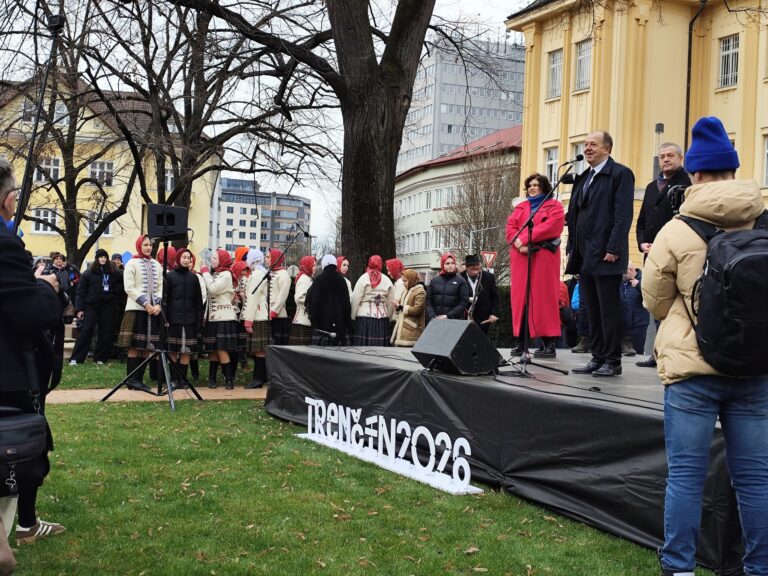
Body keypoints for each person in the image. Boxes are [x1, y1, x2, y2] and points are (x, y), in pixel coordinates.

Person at [643, 116, 768, 576]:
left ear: (693, 172)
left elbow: (654, 302)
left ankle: (678, 567)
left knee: (686, 477)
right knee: (756, 480)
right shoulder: (764, 221)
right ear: (734, 169)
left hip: (692, 371)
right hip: (756, 367)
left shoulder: (676, 231)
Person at [0, 158, 66, 549]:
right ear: (7, 199)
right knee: (18, 451)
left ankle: (27, 522)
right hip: (9, 374)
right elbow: (30, 313)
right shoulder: (5, 244)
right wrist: (45, 287)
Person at [565, 131, 634, 377]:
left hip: (606, 254)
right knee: (591, 310)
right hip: (585, 254)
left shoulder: (620, 174)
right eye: (585, 144)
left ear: (607, 148)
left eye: (593, 144)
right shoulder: (585, 177)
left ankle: (612, 360)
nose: (587, 148)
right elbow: (574, 216)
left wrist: (614, 247)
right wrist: (572, 247)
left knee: (608, 310)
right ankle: (597, 357)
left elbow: (623, 214)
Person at [635, 142, 691, 369]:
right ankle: (658, 353)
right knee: (656, 304)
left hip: (675, 254)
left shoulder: (687, 184)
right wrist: (641, 243)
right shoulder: (651, 187)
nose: (665, 160)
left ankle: (671, 354)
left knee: (675, 306)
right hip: (651, 256)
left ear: (680, 159)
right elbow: (641, 222)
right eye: (662, 156)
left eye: (670, 156)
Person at [506, 173, 565, 358]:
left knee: (544, 298)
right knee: (520, 300)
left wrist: (523, 238)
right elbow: (510, 227)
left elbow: (552, 226)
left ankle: (549, 344)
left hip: (543, 257)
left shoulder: (554, 206)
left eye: (535, 185)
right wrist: (519, 244)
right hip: (521, 257)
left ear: (544, 187)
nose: (532, 188)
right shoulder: (521, 207)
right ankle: (520, 343)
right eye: (529, 185)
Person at [117, 235, 163, 391]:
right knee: (135, 346)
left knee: (147, 346)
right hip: (136, 309)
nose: (148, 247)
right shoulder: (131, 263)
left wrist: (157, 304)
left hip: (153, 311)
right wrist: (146, 304)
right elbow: (129, 288)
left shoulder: (157, 265)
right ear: (139, 246)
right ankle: (131, 379)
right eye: (145, 245)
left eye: (150, 245)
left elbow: (159, 286)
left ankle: (139, 380)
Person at [69, 248, 121, 365]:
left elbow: (121, 282)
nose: (103, 259)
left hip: (107, 305)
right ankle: (76, 358)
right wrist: (79, 309)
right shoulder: (88, 273)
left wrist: (114, 296)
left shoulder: (113, 272)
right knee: (86, 330)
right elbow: (81, 292)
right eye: (101, 257)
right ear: (97, 259)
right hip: (91, 305)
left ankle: (100, 358)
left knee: (105, 331)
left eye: (105, 257)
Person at [164, 248, 203, 386]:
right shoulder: (169, 276)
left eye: (188, 258)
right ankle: (174, 379)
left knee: (186, 350)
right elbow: (165, 300)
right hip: (173, 319)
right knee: (173, 350)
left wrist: (199, 321)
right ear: (178, 258)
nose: (186, 260)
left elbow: (198, 301)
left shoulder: (194, 278)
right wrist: (165, 319)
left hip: (190, 320)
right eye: (184, 257)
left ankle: (183, 379)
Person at [200, 250, 239, 389]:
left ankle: (229, 379)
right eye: (211, 258)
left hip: (224, 317)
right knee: (213, 350)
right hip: (213, 318)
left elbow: (213, 289)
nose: (212, 260)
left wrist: (204, 272)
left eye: (215, 258)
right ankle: (212, 379)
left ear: (222, 260)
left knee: (222, 349)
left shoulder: (226, 274)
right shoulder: (216, 274)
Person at [305, 254, 353, 346]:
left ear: (324, 264)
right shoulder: (341, 280)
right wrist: (348, 324)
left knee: (320, 355)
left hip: (321, 329)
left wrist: (315, 320)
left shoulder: (318, 280)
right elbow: (346, 305)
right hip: (339, 328)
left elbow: (310, 300)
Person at [351, 255, 394, 345]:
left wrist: (352, 317)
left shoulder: (363, 278)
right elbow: (391, 302)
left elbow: (355, 299)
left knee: (363, 349)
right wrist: (389, 318)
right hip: (382, 319)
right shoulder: (387, 280)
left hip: (364, 319)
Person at [242, 249, 270, 388]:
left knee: (259, 349)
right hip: (260, 314)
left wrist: (248, 320)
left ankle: (258, 379)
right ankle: (261, 377)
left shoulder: (257, 275)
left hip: (257, 316)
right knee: (260, 349)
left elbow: (253, 298)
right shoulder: (260, 272)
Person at [460, 254, 499, 335]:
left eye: (477, 265)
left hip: (483, 319)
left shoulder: (488, 277)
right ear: (467, 267)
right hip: (464, 318)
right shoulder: (460, 277)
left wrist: (494, 313)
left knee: (481, 341)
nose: (475, 267)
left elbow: (495, 297)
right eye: (472, 265)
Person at [425, 252, 469, 323]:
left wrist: (448, 316)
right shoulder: (434, 281)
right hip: (436, 321)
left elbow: (463, 303)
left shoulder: (461, 281)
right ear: (443, 264)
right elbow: (428, 302)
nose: (450, 265)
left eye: (452, 263)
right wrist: (432, 316)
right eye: (447, 263)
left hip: (455, 321)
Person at [619, 263, 649, 357]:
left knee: (637, 353)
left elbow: (650, 296)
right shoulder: (622, 282)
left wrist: (638, 285)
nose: (622, 276)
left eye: (624, 274)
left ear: (631, 270)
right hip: (624, 324)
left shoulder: (644, 280)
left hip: (638, 324)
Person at [390, 269, 426, 347]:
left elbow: (417, 310)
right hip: (403, 330)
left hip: (412, 331)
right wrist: (397, 307)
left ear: (412, 280)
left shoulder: (420, 291)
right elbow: (401, 306)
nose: (404, 283)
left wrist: (401, 307)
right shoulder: (405, 291)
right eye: (403, 281)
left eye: (405, 281)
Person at [267, 248, 292, 345]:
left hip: (278, 316)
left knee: (277, 344)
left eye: (268, 257)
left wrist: (274, 312)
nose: (266, 259)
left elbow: (282, 295)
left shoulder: (284, 275)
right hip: (267, 314)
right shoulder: (269, 272)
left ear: (275, 258)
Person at [290, 255, 316, 345]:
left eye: (315, 265)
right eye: (313, 265)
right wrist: (313, 305)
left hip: (304, 320)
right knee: (301, 348)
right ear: (307, 265)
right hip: (303, 320)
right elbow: (299, 298)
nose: (315, 267)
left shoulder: (307, 278)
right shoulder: (304, 279)